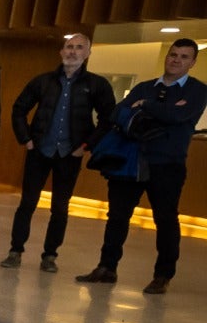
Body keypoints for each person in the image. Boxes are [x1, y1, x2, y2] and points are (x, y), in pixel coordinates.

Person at [76, 39, 206, 294]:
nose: (176, 60)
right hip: (130, 162)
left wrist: (145, 106)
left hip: (167, 165)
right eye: (173, 54)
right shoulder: (145, 87)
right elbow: (118, 114)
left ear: (192, 62)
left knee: (165, 219)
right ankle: (106, 267)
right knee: (117, 216)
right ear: (167, 56)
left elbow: (178, 116)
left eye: (183, 57)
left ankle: (163, 275)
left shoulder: (197, 91)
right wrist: (162, 112)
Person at [1, 34, 115, 273]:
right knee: (27, 203)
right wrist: (26, 139)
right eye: (69, 47)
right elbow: (19, 109)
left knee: (60, 207)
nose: (73, 52)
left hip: (69, 154)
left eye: (79, 48)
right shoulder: (43, 81)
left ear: (87, 53)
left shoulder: (97, 85)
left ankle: (50, 255)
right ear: (62, 51)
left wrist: (85, 147)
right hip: (39, 150)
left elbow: (108, 120)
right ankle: (15, 251)